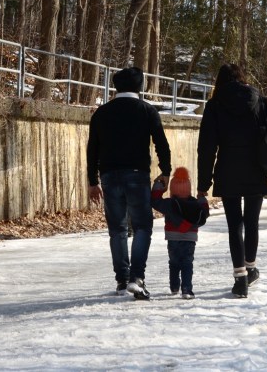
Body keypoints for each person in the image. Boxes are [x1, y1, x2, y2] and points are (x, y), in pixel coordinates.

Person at [197, 63, 267, 298]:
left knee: (233, 225)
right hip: (254, 169)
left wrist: (203, 184)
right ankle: (250, 269)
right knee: (251, 221)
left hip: (227, 169)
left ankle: (240, 278)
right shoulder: (259, 101)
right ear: (242, 78)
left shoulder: (214, 106)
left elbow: (206, 148)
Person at [87, 67, 171, 300]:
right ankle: (137, 277)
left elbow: (92, 148)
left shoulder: (102, 113)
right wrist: (166, 171)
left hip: (109, 175)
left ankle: (122, 279)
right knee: (143, 226)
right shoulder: (147, 110)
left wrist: (93, 181)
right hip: (137, 175)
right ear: (139, 86)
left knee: (118, 229)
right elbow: (161, 143)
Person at [151, 167, 209, 299]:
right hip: (190, 238)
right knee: (187, 263)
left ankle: (174, 286)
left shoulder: (169, 204)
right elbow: (205, 214)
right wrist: (201, 198)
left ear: (172, 189)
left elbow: (155, 201)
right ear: (189, 189)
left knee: (174, 262)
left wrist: (159, 184)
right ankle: (187, 289)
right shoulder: (195, 204)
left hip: (172, 237)